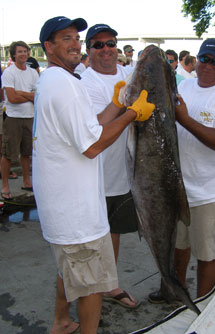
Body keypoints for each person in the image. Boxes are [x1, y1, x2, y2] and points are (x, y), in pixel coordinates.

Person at [33, 16, 154, 334]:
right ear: (48, 47)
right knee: (90, 287)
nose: (74, 43)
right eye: (65, 38)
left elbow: (89, 128)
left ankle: (61, 321)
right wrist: (130, 113)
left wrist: (116, 105)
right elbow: (93, 145)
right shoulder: (68, 86)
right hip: (76, 215)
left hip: (65, 209)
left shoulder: (54, 80)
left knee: (72, 269)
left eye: (75, 37)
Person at [148, 38, 215, 304]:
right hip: (181, 187)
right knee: (178, 247)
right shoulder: (187, 86)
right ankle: (175, 293)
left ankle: (203, 308)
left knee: (207, 254)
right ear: (196, 59)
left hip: (214, 193)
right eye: (204, 59)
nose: (208, 66)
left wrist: (185, 119)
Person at [81, 23, 140, 309]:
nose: (106, 49)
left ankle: (109, 284)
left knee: (113, 230)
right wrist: (123, 105)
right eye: (98, 44)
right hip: (93, 173)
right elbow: (96, 127)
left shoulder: (131, 73)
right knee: (91, 236)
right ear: (88, 50)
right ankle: (87, 293)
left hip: (125, 172)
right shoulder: (84, 81)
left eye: (111, 43)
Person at [1, 41, 39, 200]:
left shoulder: (33, 73)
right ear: (14, 55)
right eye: (20, 52)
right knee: (8, 154)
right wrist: (29, 95)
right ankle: (5, 185)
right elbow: (11, 98)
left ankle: (27, 181)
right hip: (13, 118)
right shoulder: (9, 73)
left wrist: (21, 93)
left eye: (25, 51)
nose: (23, 54)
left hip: (30, 118)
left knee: (26, 152)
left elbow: (38, 97)